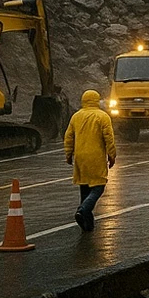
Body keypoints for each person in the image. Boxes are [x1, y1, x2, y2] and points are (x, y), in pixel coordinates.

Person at [64, 89, 116, 231]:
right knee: (98, 186)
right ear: (97, 100)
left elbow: (69, 137)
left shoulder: (76, 117)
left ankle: (87, 224)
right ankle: (83, 210)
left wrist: (68, 154)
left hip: (80, 156)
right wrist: (112, 155)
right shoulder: (102, 117)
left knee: (85, 187)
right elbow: (108, 138)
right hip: (96, 156)